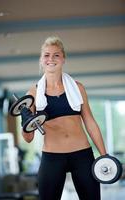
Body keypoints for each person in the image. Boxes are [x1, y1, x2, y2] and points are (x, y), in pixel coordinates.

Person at [22, 36, 107, 200]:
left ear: (63, 59)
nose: (51, 59)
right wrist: (24, 120)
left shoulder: (77, 88)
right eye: (46, 55)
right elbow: (28, 138)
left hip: (82, 155)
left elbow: (89, 121)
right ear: (41, 60)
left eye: (56, 55)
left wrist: (104, 155)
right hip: (52, 158)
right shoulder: (32, 93)